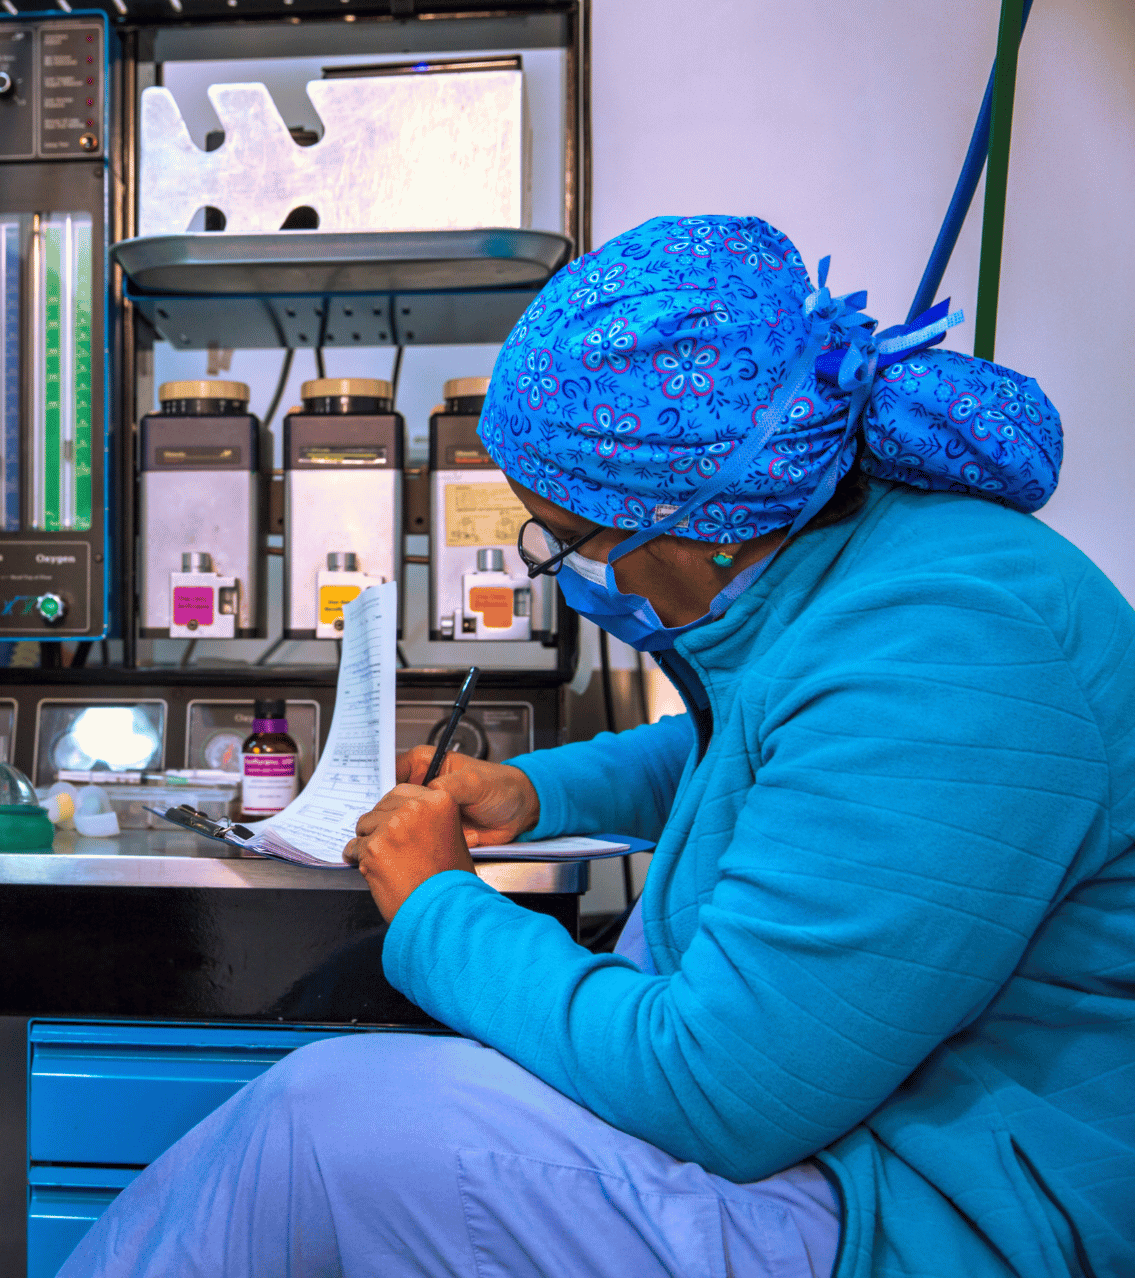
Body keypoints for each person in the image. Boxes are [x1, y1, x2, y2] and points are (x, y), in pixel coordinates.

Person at [61, 216, 1134, 1278]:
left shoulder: (945, 647)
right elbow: (763, 765)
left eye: (566, 540)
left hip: (932, 1213)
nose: (579, 576)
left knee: (322, 1129)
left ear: (695, 517)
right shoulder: (863, 570)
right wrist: (532, 791)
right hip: (859, 1134)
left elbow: (719, 1089)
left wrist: (440, 908)